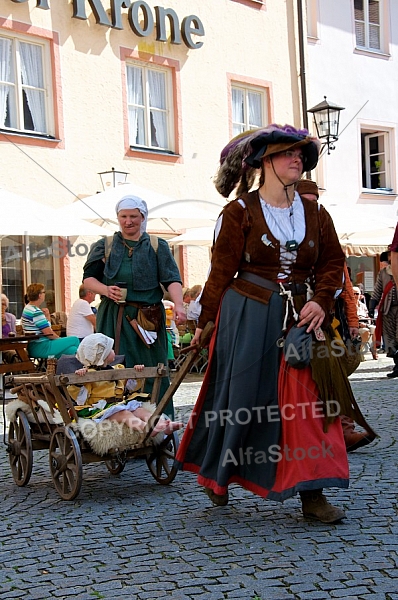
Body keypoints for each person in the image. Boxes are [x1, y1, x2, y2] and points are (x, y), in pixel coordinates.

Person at [176, 123, 370, 524]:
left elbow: (333, 264)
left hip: (302, 318)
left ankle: (313, 495)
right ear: (265, 163)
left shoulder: (316, 213)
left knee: (310, 405)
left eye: (300, 154)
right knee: (241, 402)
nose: (296, 159)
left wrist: (319, 300)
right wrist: (205, 319)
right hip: (247, 315)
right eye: (287, 154)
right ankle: (218, 474)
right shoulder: (238, 212)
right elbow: (220, 272)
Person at [82, 195, 186, 417]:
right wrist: (105, 290)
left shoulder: (158, 246)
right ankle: (118, 420)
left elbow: (171, 279)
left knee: (152, 369)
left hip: (147, 318)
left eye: (133, 216)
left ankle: (159, 420)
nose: (128, 221)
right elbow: (88, 279)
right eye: (123, 216)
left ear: (142, 217)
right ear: (118, 218)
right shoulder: (104, 246)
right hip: (113, 316)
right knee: (113, 366)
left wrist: (179, 304)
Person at [296, 180, 376, 452]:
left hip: (330, 321)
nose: (311, 207)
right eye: (305, 201)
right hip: (290, 317)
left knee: (334, 373)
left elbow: (346, 291)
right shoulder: (285, 236)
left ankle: (343, 428)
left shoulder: (328, 240)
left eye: (314, 202)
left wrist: (352, 324)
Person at [67, 333, 183, 435]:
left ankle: (163, 424)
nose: (114, 352)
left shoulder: (118, 369)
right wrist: (80, 380)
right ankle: (146, 429)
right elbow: (80, 399)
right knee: (125, 414)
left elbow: (130, 388)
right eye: (111, 350)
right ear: (103, 355)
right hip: (101, 409)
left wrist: (135, 373)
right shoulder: (88, 374)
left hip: (120, 402)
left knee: (140, 410)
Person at [21, 283, 80, 359]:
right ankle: (86, 365)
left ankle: (70, 368)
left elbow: (46, 328)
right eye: (44, 292)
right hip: (42, 346)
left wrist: (47, 316)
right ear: (39, 295)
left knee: (72, 350)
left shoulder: (28, 308)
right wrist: (60, 340)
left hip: (34, 345)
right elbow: (49, 333)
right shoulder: (36, 312)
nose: (44, 294)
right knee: (74, 339)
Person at [369, 250, 398, 378]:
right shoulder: (383, 273)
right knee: (391, 340)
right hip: (388, 310)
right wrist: (372, 305)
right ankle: (397, 366)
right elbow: (377, 290)